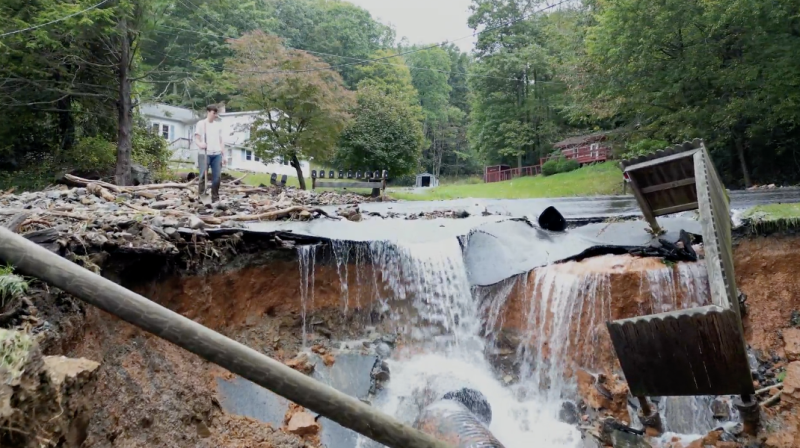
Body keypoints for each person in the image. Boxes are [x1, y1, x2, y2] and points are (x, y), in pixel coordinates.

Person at [194, 104, 226, 202]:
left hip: (216, 154)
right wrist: (200, 144)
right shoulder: (201, 123)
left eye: (216, 113)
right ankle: (202, 196)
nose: (215, 115)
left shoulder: (218, 125)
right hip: (204, 153)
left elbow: (221, 141)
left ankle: (215, 197)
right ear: (208, 112)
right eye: (213, 113)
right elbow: (196, 138)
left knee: (217, 177)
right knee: (203, 176)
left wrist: (223, 156)